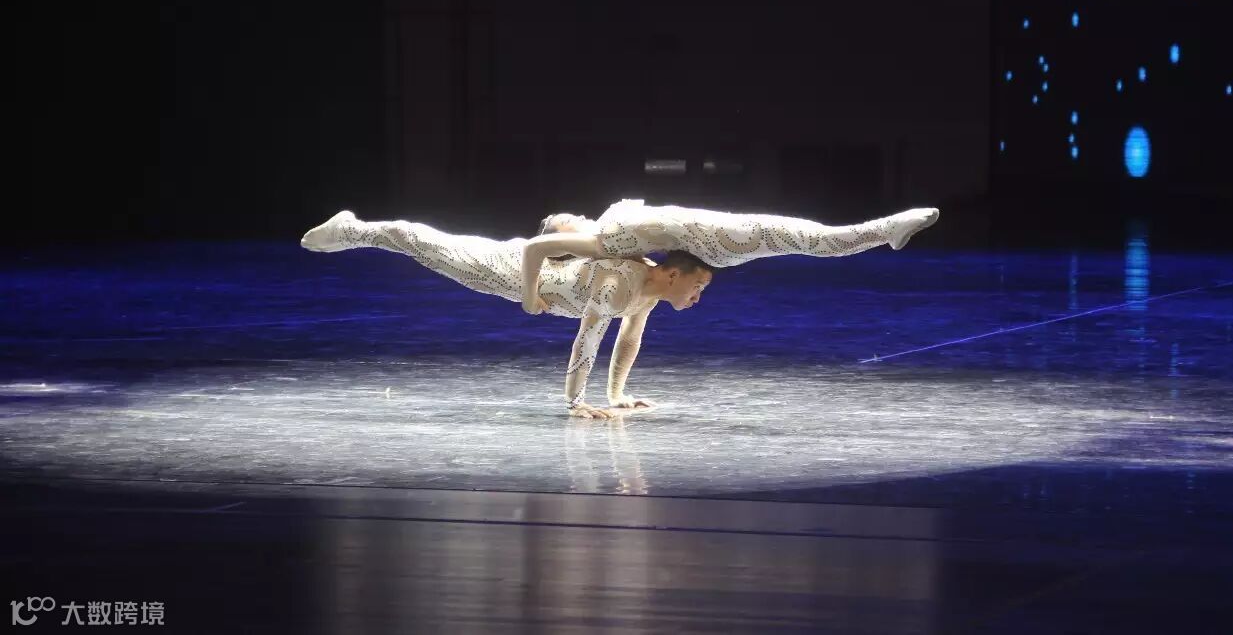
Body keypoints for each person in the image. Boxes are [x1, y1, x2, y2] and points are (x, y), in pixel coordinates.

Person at [300, 210, 714, 419]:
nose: (697, 297)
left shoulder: (647, 294)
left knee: (428, 247)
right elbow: (588, 339)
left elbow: (628, 339)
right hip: (508, 269)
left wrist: (616, 396)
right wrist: (575, 402)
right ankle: (351, 228)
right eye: (697, 286)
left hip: (532, 270)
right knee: (424, 244)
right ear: (673, 274)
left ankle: (354, 230)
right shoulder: (619, 283)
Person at [519, 198, 939, 315]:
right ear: (563, 242)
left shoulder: (610, 231)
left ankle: (888, 230)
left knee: (814, 240)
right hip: (717, 239)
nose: (576, 216)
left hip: (715, 236)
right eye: (565, 221)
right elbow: (534, 249)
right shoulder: (598, 242)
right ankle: (889, 228)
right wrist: (529, 297)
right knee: (816, 241)